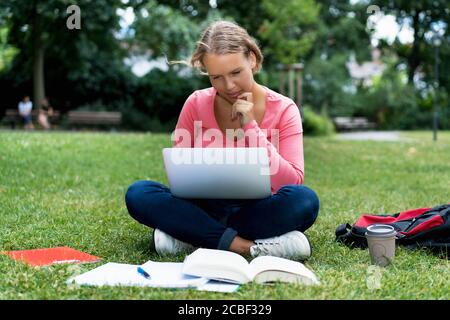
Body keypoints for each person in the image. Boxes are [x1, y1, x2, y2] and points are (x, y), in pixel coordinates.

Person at [125, 20, 320, 260]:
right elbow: (179, 175)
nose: (228, 86)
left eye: (236, 73)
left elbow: (291, 181)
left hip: (256, 210)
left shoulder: (284, 109)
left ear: (252, 59)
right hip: (203, 207)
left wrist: (250, 126)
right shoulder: (195, 104)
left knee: (305, 201)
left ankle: (191, 237)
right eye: (216, 77)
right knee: (138, 193)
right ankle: (245, 246)